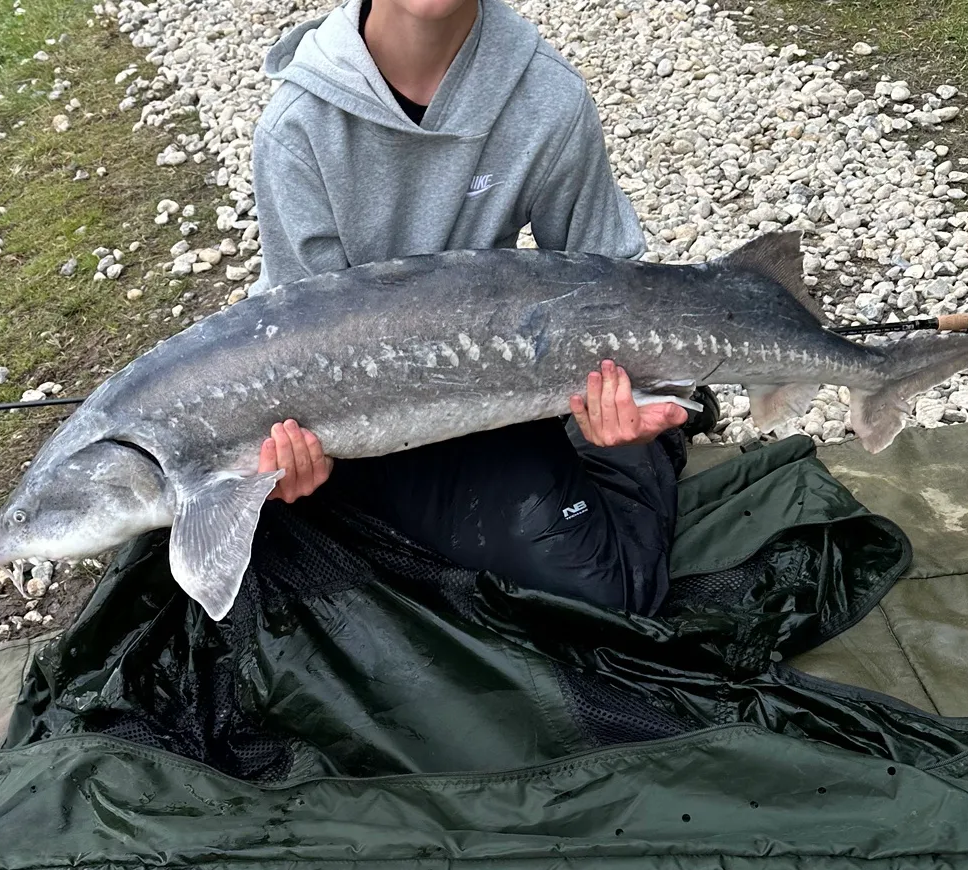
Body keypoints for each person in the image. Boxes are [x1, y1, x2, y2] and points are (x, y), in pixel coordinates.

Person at [246, 0, 706, 616]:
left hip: (496, 386)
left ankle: (641, 448)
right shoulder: (296, 129)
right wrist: (287, 458)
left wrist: (631, 397)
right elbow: (296, 331)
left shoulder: (548, 96)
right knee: (285, 566)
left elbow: (611, 279)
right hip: (362, 413)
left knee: (603, 598)